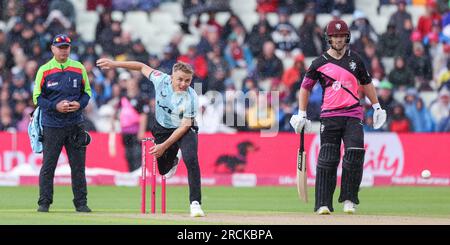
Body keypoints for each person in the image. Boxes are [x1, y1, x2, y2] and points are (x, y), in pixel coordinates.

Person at [289, 20, 387, 215]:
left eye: (342, 36)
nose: (339, 39)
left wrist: (377, 107)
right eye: (335, 36)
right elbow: (305, 87)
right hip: (330, 115)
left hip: (353, 114)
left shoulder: (356, 60)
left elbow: (367, 83)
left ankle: (349, 199)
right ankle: (323, 203)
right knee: (328, 159)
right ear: (329, 38)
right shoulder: (319, 63)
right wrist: (301, 113)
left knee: (355, 155)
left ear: (347, 37)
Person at [96, 58, 205, 217]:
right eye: (180, 79)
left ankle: (195, 203)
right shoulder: (160, 79)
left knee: (191, 159)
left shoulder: (192, 96)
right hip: (162, 128)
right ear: (171, 76)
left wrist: (164, 146)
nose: (183, 84)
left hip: (184, 128)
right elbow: (141, 66)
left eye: (187, 80)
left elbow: (184, 126)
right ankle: (173, 158)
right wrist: (115, 64)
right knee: (163, 171)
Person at [32, 34, 92, 213]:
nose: (63, 50)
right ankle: (44, 203)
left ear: (70, 48)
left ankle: (81, 203)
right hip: (52, 125)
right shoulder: (44, 70)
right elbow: (37, 97)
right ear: (52, 49)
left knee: (78, 167)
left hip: (75, 124)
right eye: (60, 47)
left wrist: (79, 104)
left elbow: (87, 93)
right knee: (48, 166)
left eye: (66, 47)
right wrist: (55, 106)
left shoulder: (79, 68)